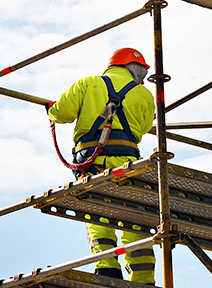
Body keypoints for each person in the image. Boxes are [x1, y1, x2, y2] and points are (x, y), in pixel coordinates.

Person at [47, 48, 156, 284]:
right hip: (128, 161)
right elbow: (146, 126)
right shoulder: (144, 94)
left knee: (98, 215)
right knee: (134, 217)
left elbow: (61, 113)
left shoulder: (88, 84)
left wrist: (51, 108)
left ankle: (107, 268)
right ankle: (144, 278)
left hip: (91, 162)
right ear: (135, 69)